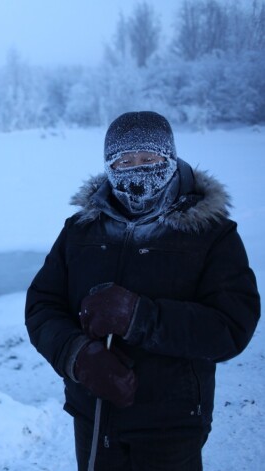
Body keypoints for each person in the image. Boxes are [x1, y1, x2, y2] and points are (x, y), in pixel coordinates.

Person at [25, 111, 260, 471]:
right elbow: (42, 306)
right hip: (94, 417)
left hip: (172, 425)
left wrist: (139, 317)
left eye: (149, 159)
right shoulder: (80, 231)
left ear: (170, 158)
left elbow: (231, 327)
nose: (137, 171)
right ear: (109, 166)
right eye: (124, 161)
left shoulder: (211, 234)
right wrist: (77, 356)